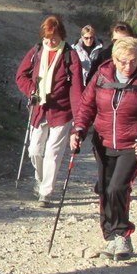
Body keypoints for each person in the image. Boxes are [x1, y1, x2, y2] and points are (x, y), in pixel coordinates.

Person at [72, 37, 137, 260]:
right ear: (114, 59)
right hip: (103, 143)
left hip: (132, 146)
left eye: (134, 61)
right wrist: (79, 130)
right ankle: (111, 236)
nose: (128, 66)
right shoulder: (101, 77)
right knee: (104, 189)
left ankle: (123, 234)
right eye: (123, 61)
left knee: (117, 188)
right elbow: (86, 106)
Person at [14, 15, 83, 207]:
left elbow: (77, 89)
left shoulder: (70, 55)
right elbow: (21, 75)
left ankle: (46, 192)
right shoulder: (36, 51)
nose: (50, 41)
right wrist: (31, 90)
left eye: (53, 37)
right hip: (39, 109)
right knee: (34, 149)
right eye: (47, 37)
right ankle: (40, 179)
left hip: (62, 112)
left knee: (53, 152)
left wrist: (79, 121)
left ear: (61, 35)